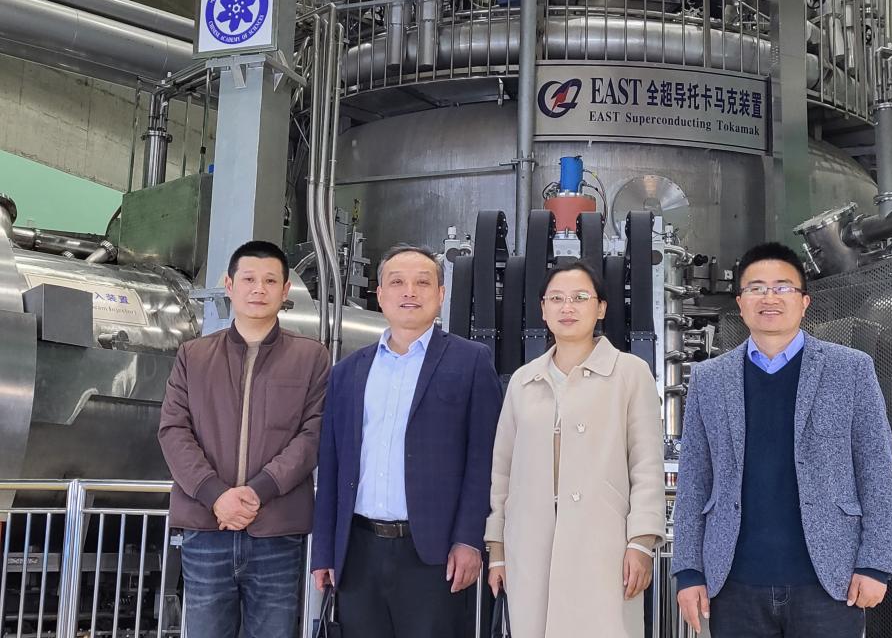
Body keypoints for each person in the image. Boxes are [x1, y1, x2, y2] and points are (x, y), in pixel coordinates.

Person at [673, 242, 892, 637]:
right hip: (734, 583)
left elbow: (876, 469)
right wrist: (688, 570)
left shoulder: (850, 369)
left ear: (804, 301)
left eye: (782, 287)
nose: (769, 298)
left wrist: (876, 563)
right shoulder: (710, 378)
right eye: (756, 288)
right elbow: (694, 478)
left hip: (830, 581)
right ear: (740, 302)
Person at [311, 244, 503, 638]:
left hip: (433, 554)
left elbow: (484, 460)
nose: (410, 292)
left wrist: (469, 540)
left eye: (423, 283)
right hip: (359, 552)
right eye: (397, 282)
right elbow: (331, 465)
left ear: (441, 294)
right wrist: (325, 550)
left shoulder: (470, 361)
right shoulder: (347, 372)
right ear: (380, 295)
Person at [158, 240, 330, 638]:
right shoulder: (193, 356)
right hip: (207, 528)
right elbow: (173, 430)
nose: (258, 289)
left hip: (277, 531)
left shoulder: (311, 358)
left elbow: (313, 434)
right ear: (229, 285)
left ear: (285, 291)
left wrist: (258, 491)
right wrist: (215, 494)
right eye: (249, 279)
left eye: (270, 281)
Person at [485, 260, 666, 638]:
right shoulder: (524, 381)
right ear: (543, 309)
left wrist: (641, 541)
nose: (567, 307)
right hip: (531, 543)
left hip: (604, 544)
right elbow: (502, 471)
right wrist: (498, 549)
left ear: (600, 308)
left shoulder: (630, 373)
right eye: (556, 299)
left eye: (580, 298)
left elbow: (646, 466)